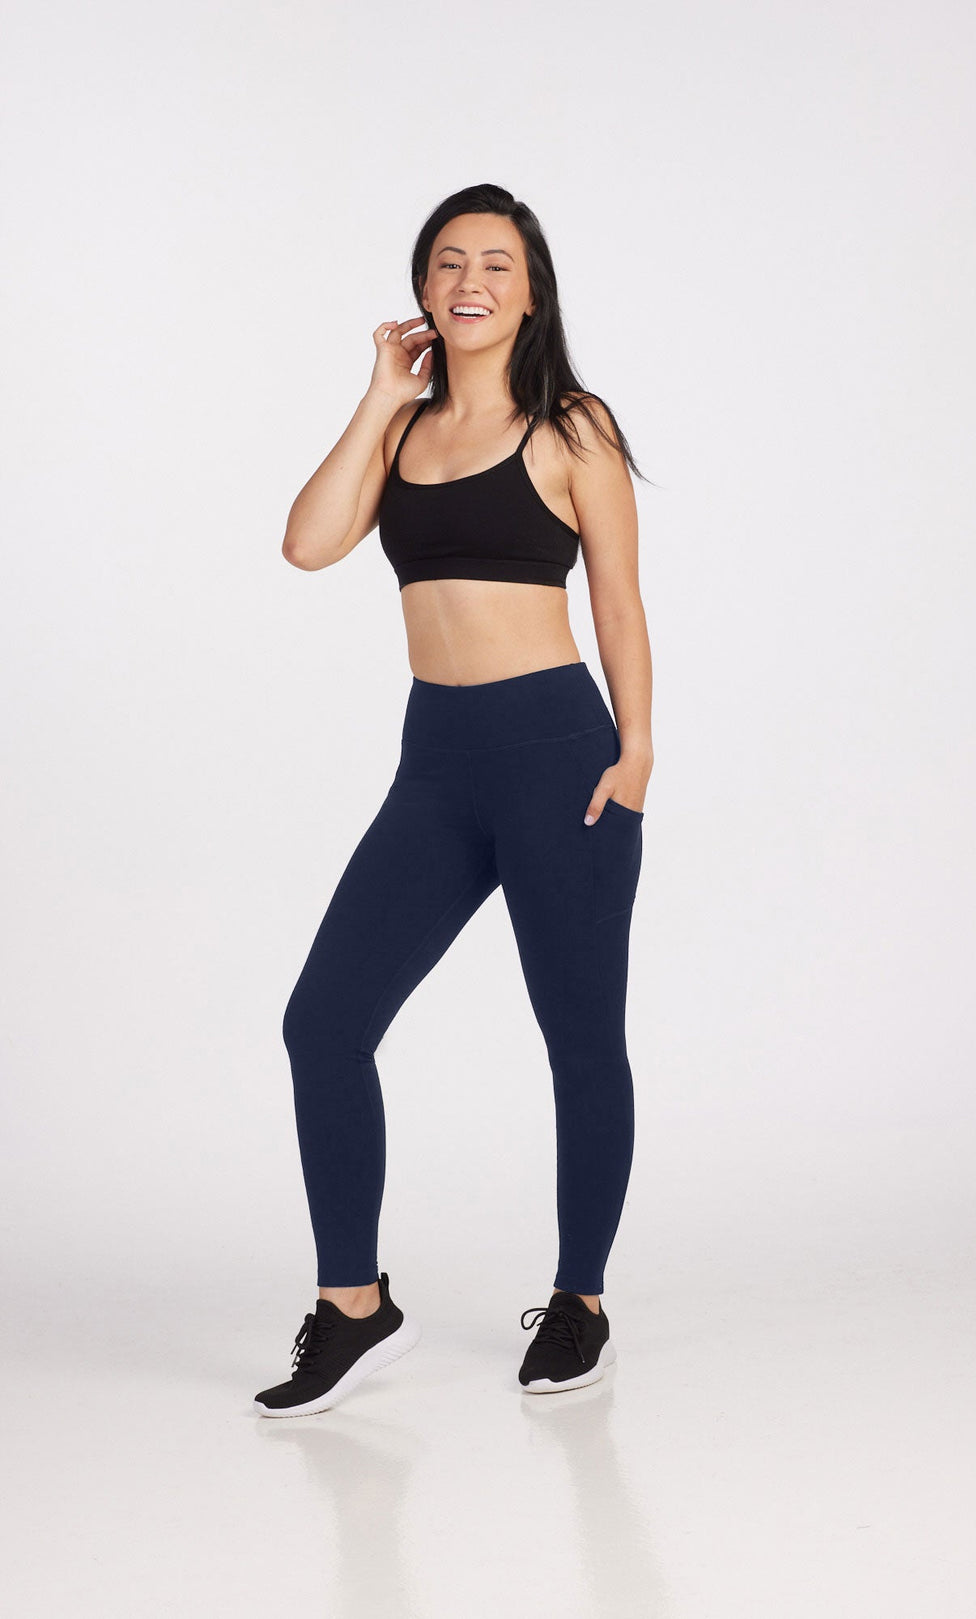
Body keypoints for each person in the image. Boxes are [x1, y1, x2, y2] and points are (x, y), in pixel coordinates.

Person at [253, 183, 653, 1417]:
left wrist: (636, 752)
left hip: (556, 751)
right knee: (323, 1023)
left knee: (578, 1040)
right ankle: (354, 1304)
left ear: (531, 289)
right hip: (436, 765)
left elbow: (621, 604)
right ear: (424, 290)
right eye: (446, 261)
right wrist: (378, 393)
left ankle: (580, 1298)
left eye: (496, 261)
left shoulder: (571, 427)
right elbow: (308, 543)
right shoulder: (406, 429)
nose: (469, 278)